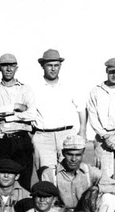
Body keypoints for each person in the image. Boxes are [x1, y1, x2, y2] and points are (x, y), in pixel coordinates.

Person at [55, 134, 115, 212]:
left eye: (78, 155)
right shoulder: (51, 173)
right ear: (63, 153)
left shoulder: (90, 171)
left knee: (110, 198)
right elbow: (42, 203)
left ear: (83, 153)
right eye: (69, 154)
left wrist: (97, 188)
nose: (74, 159)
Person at [32, 49, 88, 183]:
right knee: (46, 175)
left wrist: (83, 130)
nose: (53, 69)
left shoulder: (69, 85)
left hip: (67, 134)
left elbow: (81, 108)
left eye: (56, 65)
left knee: (69, 172)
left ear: (60, 66)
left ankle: (70, 203)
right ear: (42, 66)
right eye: (49, 65)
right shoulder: (33, 88)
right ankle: (50, 203)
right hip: (43, 136)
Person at [0, 53, 37, 191]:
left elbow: (32, 113)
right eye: (5, 66)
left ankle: (22, 211)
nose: (8, 69)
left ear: (16, 68)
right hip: (0, 140)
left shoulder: (26, 89)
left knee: (24, 181)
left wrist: (7, 117)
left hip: (21, 139)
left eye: (12, 66)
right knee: (0, 181)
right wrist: (15, 107)